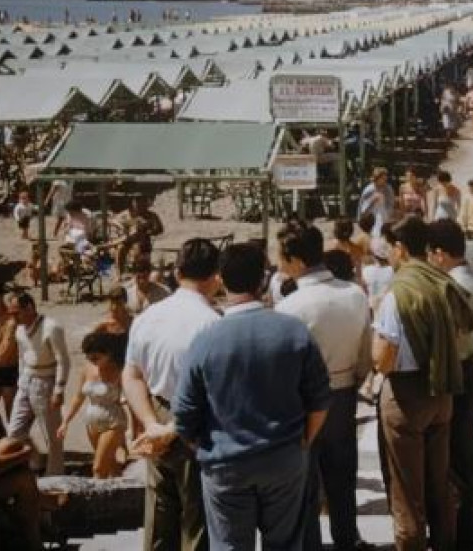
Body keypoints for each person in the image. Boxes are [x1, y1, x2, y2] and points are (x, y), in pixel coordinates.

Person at [175, 242, 333, 551]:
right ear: (263, 279)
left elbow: (183, 416)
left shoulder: (206, 340)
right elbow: (319, 399)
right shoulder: (294, 332)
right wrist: (303, 443)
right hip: (284, 458)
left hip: (226, 465)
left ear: (220, 278)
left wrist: (208, 449)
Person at [274, 223, 373, 551]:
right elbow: (365, 355)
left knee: (304, 484)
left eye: (282, 257)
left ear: (297, 261)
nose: (278, 263)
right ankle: (347, 539)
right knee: (342, 478)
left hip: (302, 401)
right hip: (344, 394)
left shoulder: (290, 307)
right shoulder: (355, 295)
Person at [123, 238, 223, 551]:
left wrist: (151, 424)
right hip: (197, 423)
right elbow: (214, 390)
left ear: (178, 271)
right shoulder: (213, 324)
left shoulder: (148, 317)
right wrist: (172, 428)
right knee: (197, 519)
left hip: (157, 409)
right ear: (215, 276)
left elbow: (132, 374)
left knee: (160, 512)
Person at [371, 216, 465, 551]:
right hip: (441, 392)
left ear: (400, 248)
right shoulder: (441, 283)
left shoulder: (399, 292)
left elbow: (383, 358)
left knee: (406, 494)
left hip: (406, 395)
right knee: (438, 484)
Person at [426, 218, 473, 549]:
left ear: (439, 254)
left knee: (451, 460)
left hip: (457, 374)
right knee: (465, 454)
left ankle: (455, 536)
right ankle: (464, 533)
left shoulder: (451, 288)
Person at [5, 291, 69, 476]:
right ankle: (36, 461)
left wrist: (59, 389)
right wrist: (20, 379)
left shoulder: (51, 327)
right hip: (26, 380)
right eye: (11, 313)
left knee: (52, 436)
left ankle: (55, 476)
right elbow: (22, 356)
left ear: (29, 308)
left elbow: (63, 360)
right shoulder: (19, 330)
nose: (13, 317)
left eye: (16, 312)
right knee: (15, 431)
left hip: (46, 381)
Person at [57, 330, 128, 478]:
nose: (93, 361)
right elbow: (78, 397)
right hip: (91, 423)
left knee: (98, 468)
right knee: (111, 465)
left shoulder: (119, 370)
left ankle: (99, 499)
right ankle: (123, 497)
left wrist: (134, 431)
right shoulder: (87, 368)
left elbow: (130, 400)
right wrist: (65, 422)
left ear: (108, 353)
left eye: (96, 357)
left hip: (113, 422)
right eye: (89, 358)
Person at [115, 196, 165, 274]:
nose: (138, 206)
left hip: (144, 240)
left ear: (145, 204)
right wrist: (127, 230)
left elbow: (160, 229)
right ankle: (120, 273)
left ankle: (138, 272)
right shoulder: (127, 215)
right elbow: (119, 227)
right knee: (120, 248)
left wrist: (148, 231)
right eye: (136, 204)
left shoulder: (152, 216)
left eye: (141, 204)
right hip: (129, 239)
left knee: (138, 249)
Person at [0, 286, 20, 436]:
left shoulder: (11, 322)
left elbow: (3, 355)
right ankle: (4, 438)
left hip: (9, 371)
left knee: (12, 413)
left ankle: (16, 447)